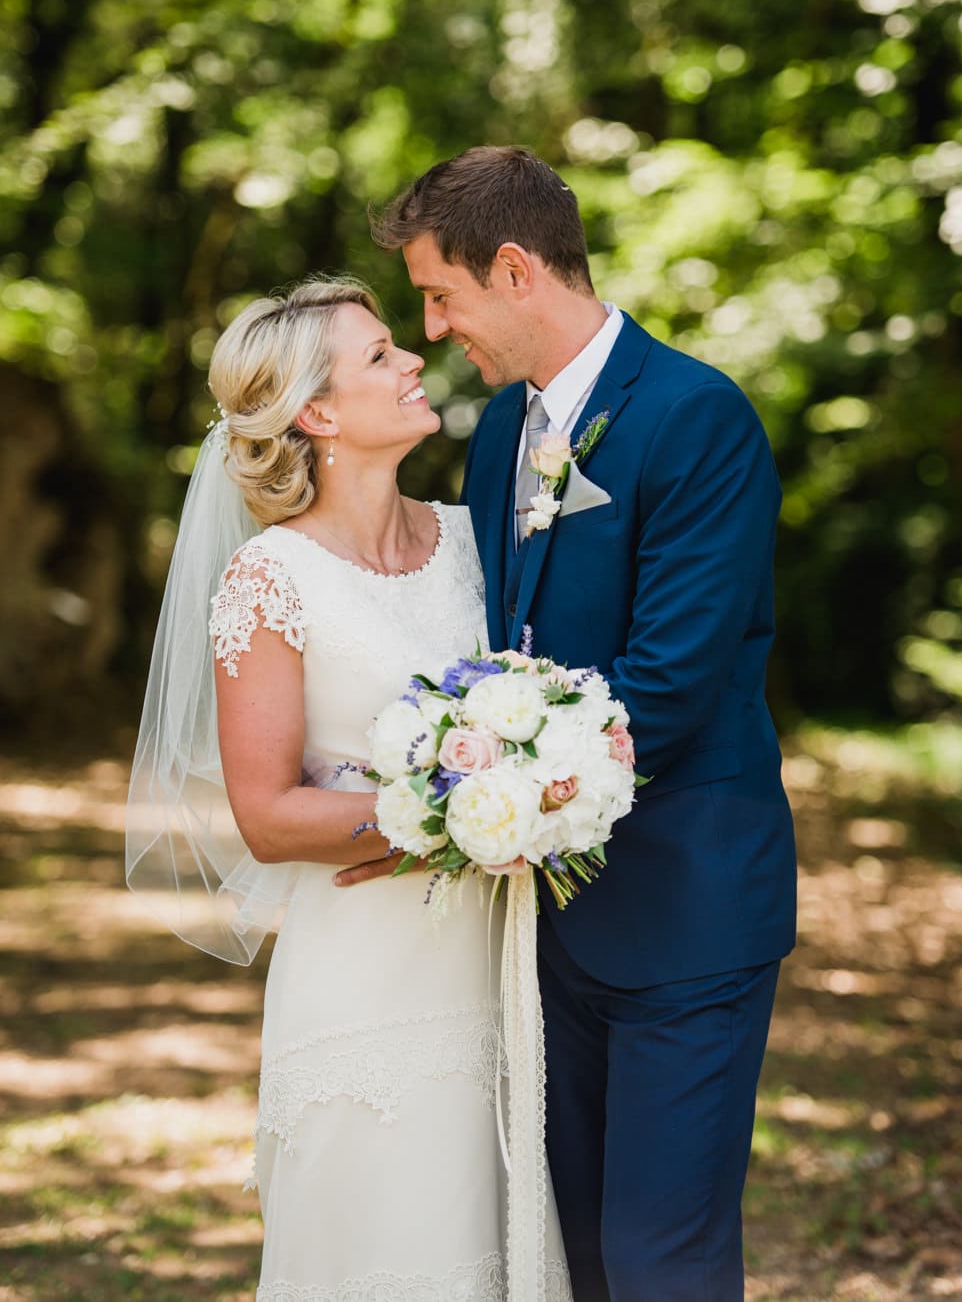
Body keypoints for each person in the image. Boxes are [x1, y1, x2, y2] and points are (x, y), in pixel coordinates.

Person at [345, 147, 799, 1302]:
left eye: (440, 297)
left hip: (687, 909)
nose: (436, 329)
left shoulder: (695, 417)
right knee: (576, 1259)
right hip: (543, 926)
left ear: (512, 269)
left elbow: (673, 682)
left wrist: (482, 802)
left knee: (663, 1259)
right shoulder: (502, 432)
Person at [125, 278, 571, 1301]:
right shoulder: (271, 579)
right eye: (378, 355)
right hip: (361, 967)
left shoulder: (472, 541)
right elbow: (269, 815)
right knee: (383, 1244)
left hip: (493, 954)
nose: (414, 358)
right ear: (315, 413)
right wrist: (457, 820)